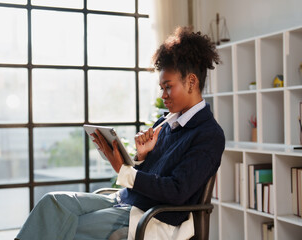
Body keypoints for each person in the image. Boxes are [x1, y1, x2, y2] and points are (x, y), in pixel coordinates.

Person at [15, 26, 225, 240]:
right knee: (53, 203)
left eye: (168, 87)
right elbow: (151, 176)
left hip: (149, 216)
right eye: (161, 88)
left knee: (67, 225)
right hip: (126, 200)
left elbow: (177, 191)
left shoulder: (208, 135)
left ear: (191, 81)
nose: (163, 95)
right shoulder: (166, 122)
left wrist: (124, 171)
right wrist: (142, 157)